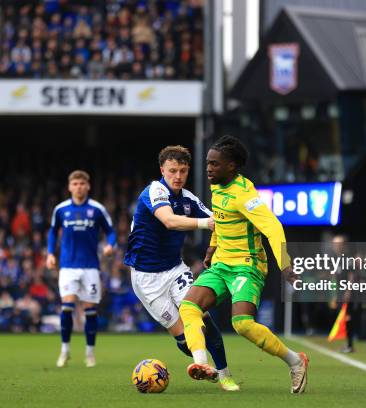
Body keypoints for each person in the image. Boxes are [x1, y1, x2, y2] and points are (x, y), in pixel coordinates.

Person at [179, 136, 309, 394]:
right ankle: (203, 365)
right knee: (189, 307)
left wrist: (285, 265)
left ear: (232, 166)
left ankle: (296, 361)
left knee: (242, 324)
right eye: (207, 163)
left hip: (246, 266)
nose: (208, 169)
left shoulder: (245, 195)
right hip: (221, 264)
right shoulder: (217, 186)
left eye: (215, 164)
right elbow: (220, 218)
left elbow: (273, 226)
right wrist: (212, 246)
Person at [124, 145, 238, 391]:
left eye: (183, 171)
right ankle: (202, 364)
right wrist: (206, 223)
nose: (178, 176)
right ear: (162, 170)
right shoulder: (154, 190)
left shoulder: (188, 199)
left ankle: (222, 374)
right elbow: (168, 220)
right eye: (173, 170)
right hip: (145, 279)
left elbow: (218, 222)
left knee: (200, 316)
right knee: (183, 337)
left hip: (175, 270)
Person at [46, 170, 115, 368]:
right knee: (67, 307)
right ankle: (65, 350)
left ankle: (89, 353)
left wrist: (110, 245)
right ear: (69, 187)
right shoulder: (60, 210)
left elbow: (110, 232)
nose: (78, 187)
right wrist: (50, 253)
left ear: (88, 186)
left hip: (91, 267)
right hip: (67, 266)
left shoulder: (97, 209)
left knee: (90, 311)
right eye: (75, 184)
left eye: (82, 183)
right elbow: (52, 232)